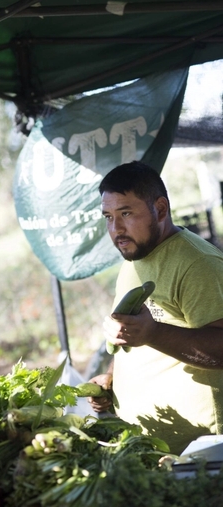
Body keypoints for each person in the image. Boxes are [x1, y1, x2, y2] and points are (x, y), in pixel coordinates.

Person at [88, 160, 223, 455]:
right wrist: (112, 377)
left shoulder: (199, 263)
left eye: (126, 213)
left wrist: (153, 333)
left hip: (198, 452)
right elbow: (136, 335)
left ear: (160, 209)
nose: (116, 229)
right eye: (108, 217)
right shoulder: (134, 258)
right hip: (145, 445)